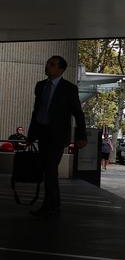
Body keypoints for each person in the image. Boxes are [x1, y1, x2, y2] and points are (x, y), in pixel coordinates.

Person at [27, 56, 87, 218]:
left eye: (52, 64)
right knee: (47, 170)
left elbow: (78, 113)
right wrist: (31, 134)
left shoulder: (69, 88)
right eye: (48, 63)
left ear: (61, 70)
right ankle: (51, 205)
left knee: (50, 170)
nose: (48, 65)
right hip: (43, 135)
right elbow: (37, 111)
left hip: (58, 137)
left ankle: (52, 206)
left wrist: (82, 136)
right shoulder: (40, 86)